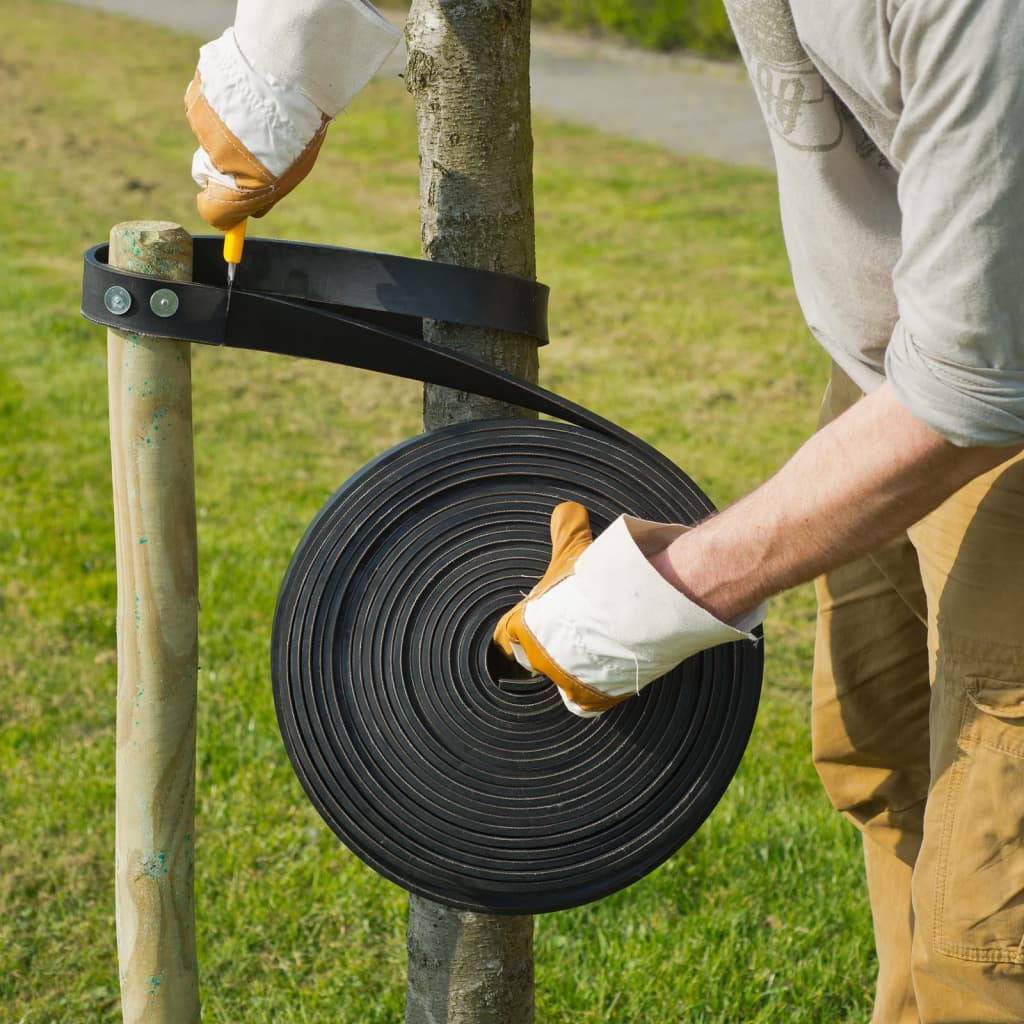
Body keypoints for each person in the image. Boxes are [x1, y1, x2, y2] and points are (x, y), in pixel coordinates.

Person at [187, 1, 1024, 1020]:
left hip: (980, 395)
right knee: (877, 757)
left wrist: (654, 597)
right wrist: (288, 55)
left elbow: (970, 394)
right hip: (913, 348)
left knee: (992, 912)